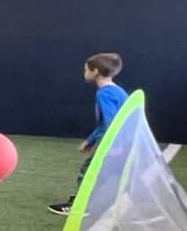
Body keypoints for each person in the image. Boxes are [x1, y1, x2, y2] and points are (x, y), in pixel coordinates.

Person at [49, 52, 128, 215]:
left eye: (85, 70)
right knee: (108, 171)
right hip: (124, 140)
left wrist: (116, 145)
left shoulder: (104, 93)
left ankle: (80, 206)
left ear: (95, 71)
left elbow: (111, 122)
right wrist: (91, 140)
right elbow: (106, 123)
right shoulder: (117, 91)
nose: (84, 73)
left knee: (88, 170)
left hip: (117, 141)